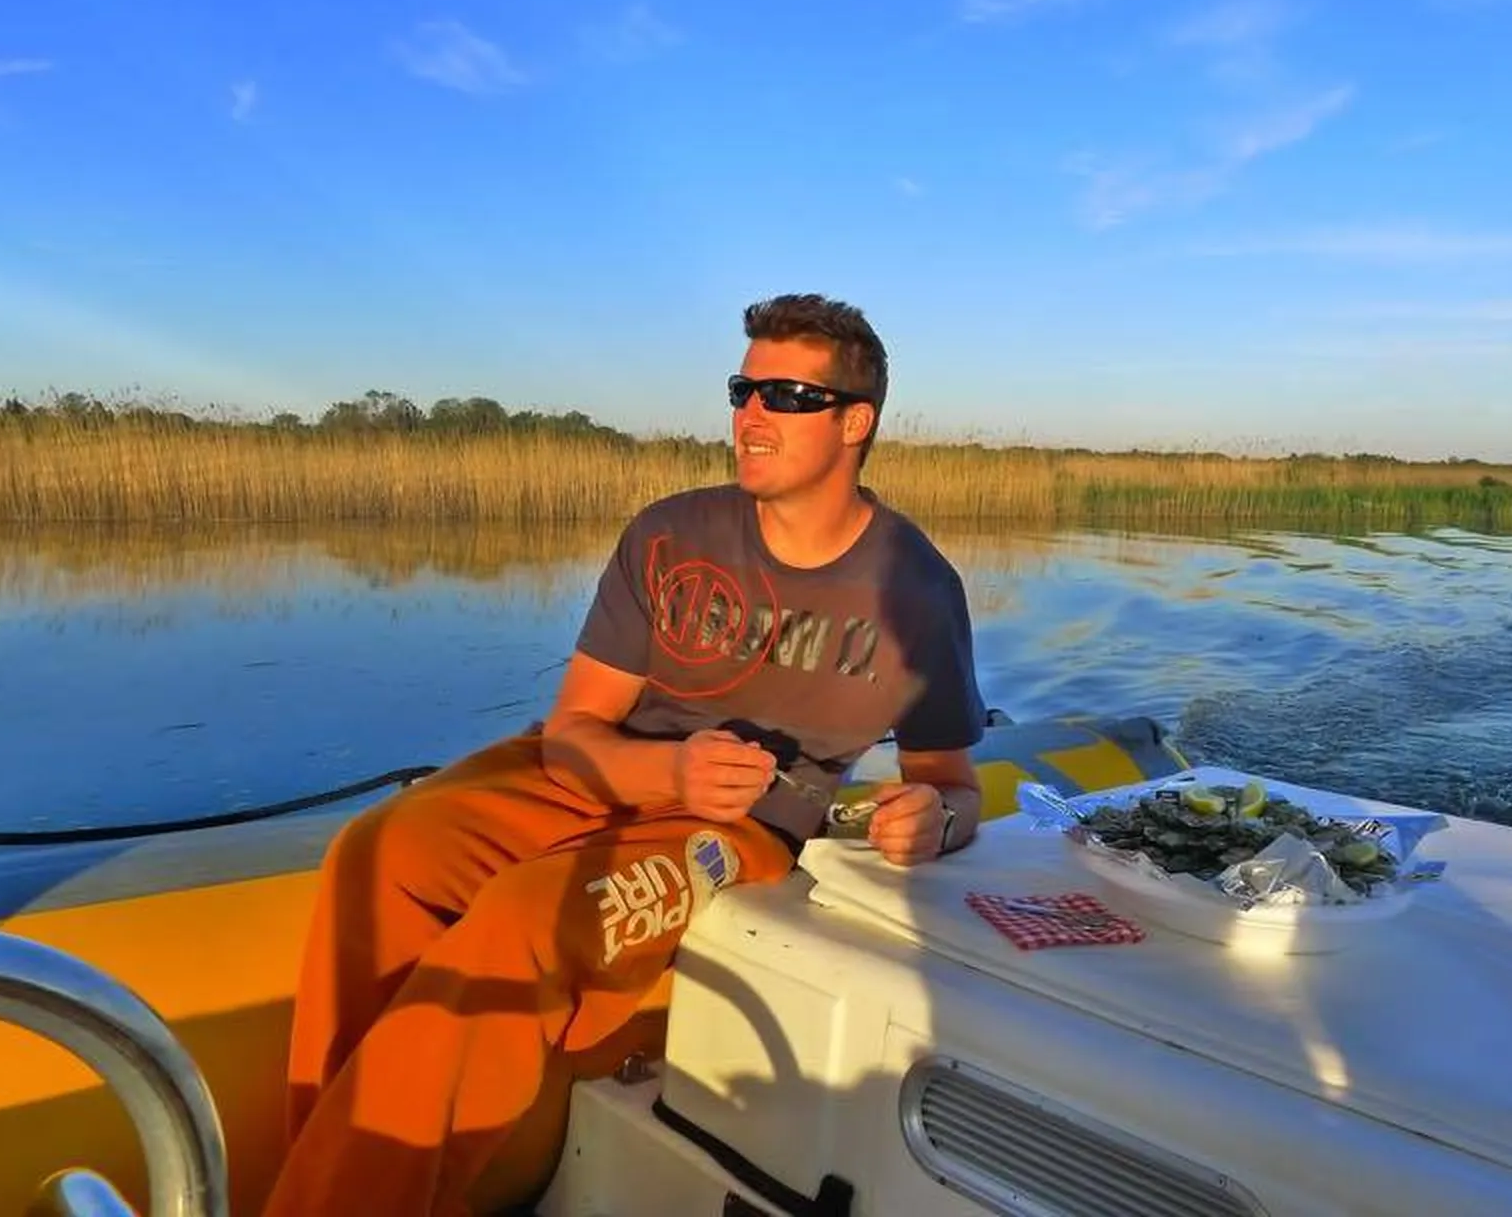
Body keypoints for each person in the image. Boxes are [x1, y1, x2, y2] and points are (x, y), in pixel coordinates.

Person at [265, 293, 988, 1216]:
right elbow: (574, 729)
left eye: (787, 397)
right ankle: (325, 1181)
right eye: (743, 389)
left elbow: (953, 787)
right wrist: (669, 771)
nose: (752, 415)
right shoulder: (670, 533)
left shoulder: (915, 591)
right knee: (378, 855)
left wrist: (933, 820)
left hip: (743, 830)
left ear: (856, 422)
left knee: (530, 919)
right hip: (605, 770)